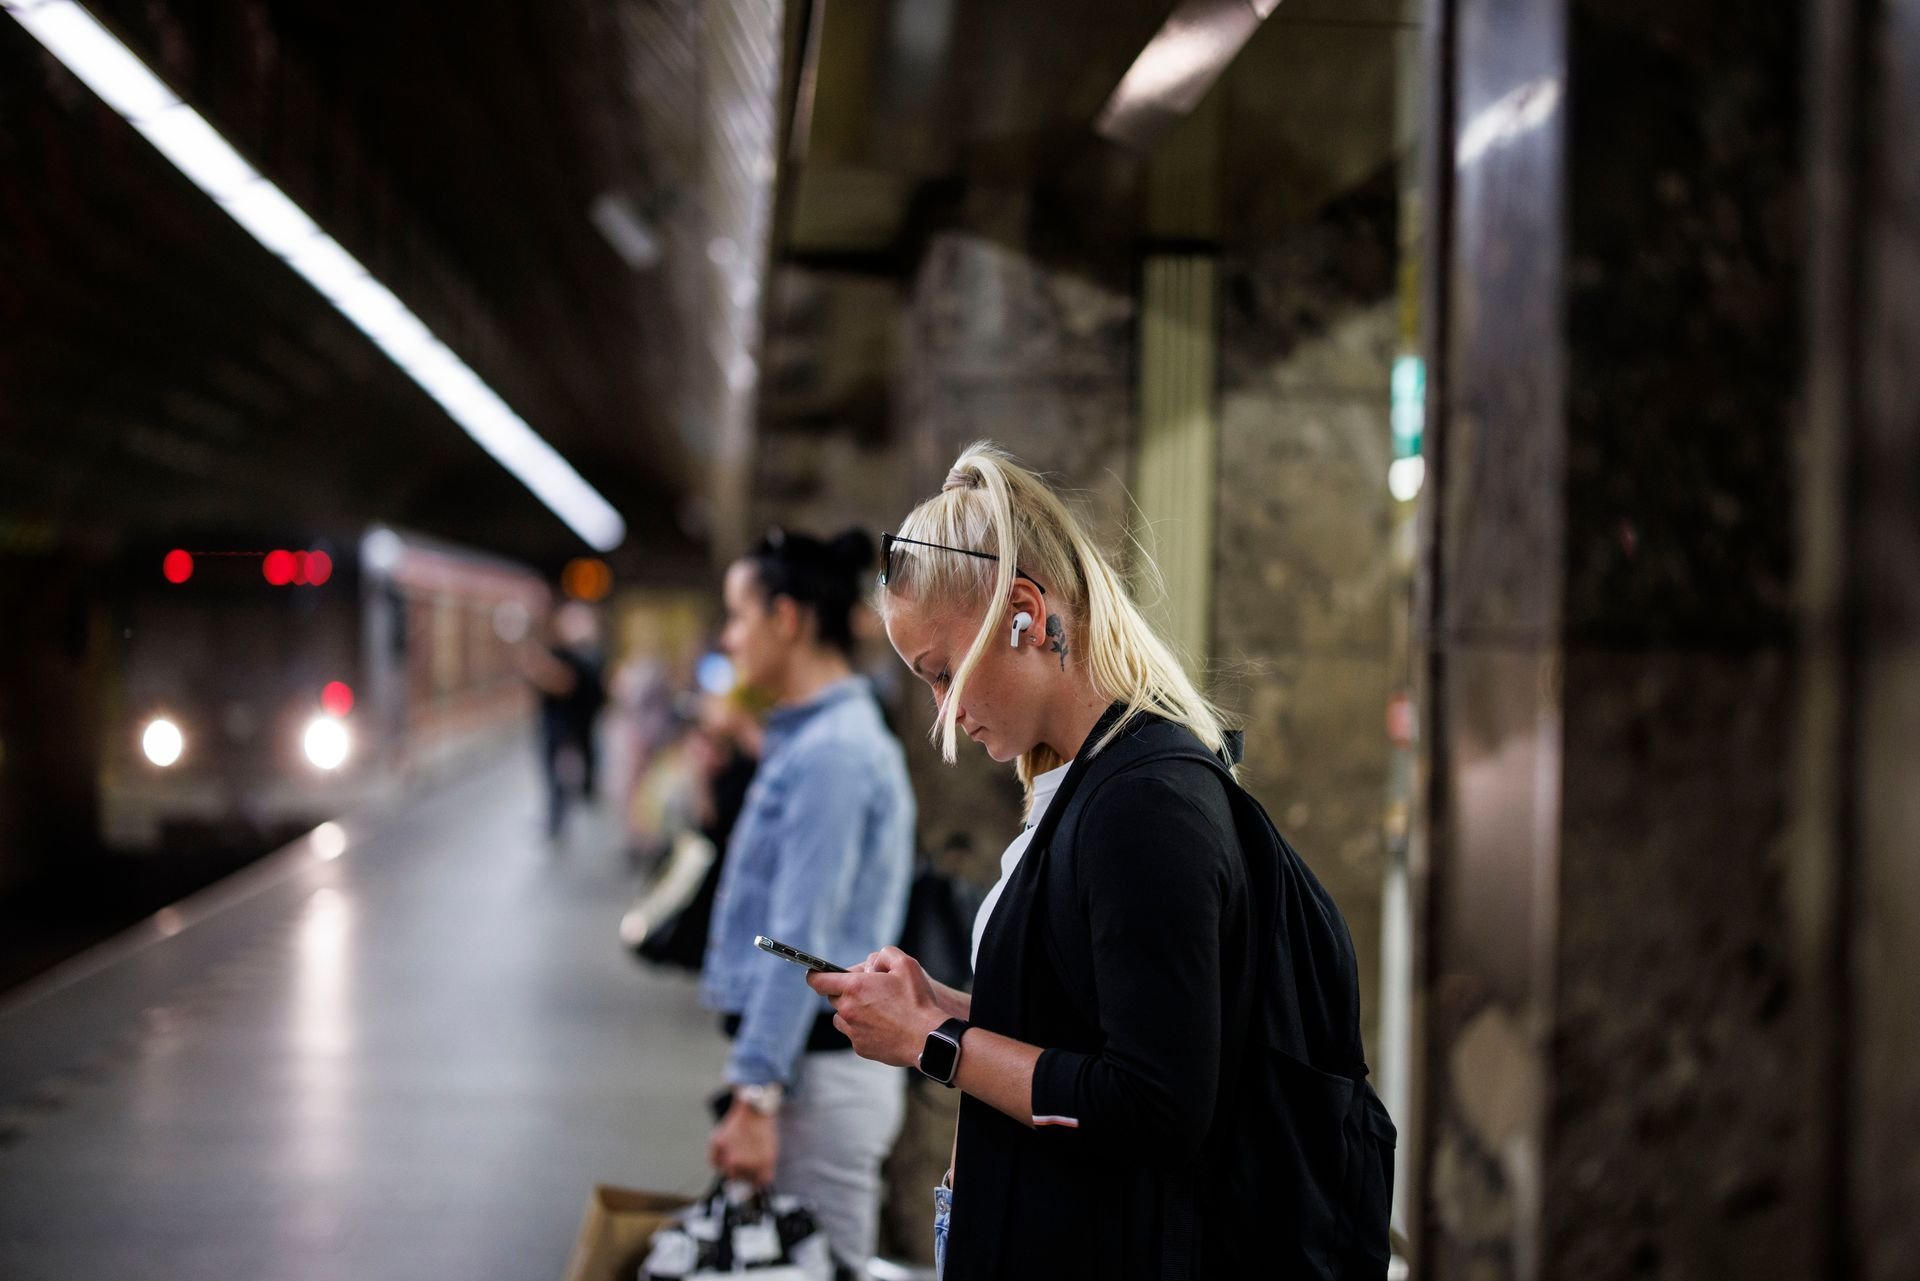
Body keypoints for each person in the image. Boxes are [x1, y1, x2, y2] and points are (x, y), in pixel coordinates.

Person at [809, 442, 1383, 1280]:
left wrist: (933, 1040)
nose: (945, 711)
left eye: (942, 672)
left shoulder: (1141, 806)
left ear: (1025, 613)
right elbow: (1097, 1022)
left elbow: (1154, 1103)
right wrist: (949, 1006)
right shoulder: (1095, 782)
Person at [700, 527, 916, 1278]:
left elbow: (798, 937)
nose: (730, 638)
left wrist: (755, 1094)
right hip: (811, 1068)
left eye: (739, 615)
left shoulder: (831, 753)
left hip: (815, 1079)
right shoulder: (817, 738)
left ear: (786, 619)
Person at [518, 600, 608, 840]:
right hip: (558, 725)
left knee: (566, 770)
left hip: (573, 726)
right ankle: (558, 815)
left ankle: (568, 809)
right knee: (555, 771)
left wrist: (543, 672)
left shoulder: (587, 656)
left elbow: (566, 684)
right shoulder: (562, 652)